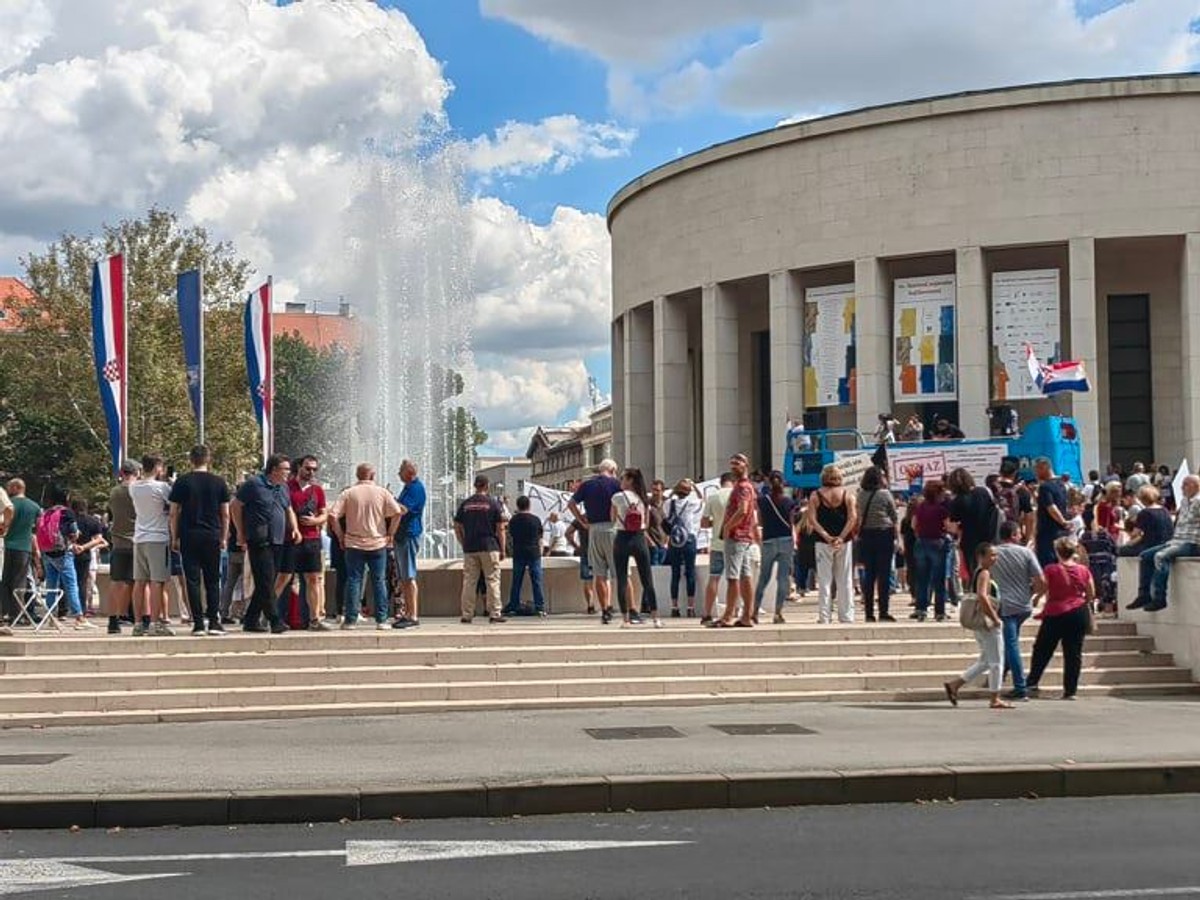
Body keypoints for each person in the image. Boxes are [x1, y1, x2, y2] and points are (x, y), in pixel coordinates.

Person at [168, 445, 232, 635]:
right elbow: (225, 514)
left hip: (189, 534)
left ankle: (197, 623)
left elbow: (173, 513)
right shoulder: (219, 482)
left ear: (191, 459)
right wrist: (224, 537)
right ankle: (213, 621)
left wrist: (175, 536)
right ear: (208, 459)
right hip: (212, 534)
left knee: (192, 580)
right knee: (212, 580)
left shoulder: (182, 482)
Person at [231, 454, 297, 635]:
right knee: (266, 581)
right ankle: (275, 620)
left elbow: (288, 509)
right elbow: (235, 506)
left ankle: (251, 620)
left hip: (278, 539)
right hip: (259, 539)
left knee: (265, 581)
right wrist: (240, 532)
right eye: (285, 469)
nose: (288, 473)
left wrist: (294, 529)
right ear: (274, 469)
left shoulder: (283, 488)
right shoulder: (253, 484)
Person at [330, 463, 401, 630]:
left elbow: (332, 515)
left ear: (357, 475)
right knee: (379, 581)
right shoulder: (382, 492)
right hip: (377, 543)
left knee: (353, 580)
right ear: (373, 475)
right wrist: (390, 534)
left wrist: (340, 536)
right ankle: (382, 620)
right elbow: (397, 512)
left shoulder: (348, 493)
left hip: (353, 543)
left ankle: (350, 620)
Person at [1027, 536, 1096, 700]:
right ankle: (1070, 691)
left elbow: (1042, 587)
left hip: (1056, 612)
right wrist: (1082, 601)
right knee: (1073, 653)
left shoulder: (1051, 569)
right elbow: (1091, 593)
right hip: (1078, 612)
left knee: (1043, 648)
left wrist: (1037, 598)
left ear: (1057, 552)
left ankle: (1032, 681)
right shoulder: (1084, 570)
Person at [944, 543, 1010, 709]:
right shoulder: (984, 573)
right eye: (991, 555)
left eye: (996, 555)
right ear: (981, 557)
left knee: (985, 661)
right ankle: (995, 697)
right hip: (986, 622)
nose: (995, 558)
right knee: (996, 661)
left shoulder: (978, 572)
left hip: (980, 623)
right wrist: (995, 618)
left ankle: (955, 685)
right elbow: (982, 596)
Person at [1128, 474, 1200, 612]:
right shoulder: (1184, 501)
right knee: (1145, 556)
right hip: (1176, 540)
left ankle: (1160, 597)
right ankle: (1144, 594)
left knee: (1160, 556)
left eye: (1185, 485)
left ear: (1195, 486)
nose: (1181, 487)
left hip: (1192, 542)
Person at [991, 520, 1045, 701]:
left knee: (1011, 643)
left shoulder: (994, 553)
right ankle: (1004, 673)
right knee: (1010, 641)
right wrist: (1034, 595)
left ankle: (1020, 686)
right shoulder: (1026, 553)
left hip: (1004, 604)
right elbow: (1040, 580)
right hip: (1023, 604)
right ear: (1014, 535)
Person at [278, 454, 329, 631]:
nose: (311, 472)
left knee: (313, 578)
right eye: (308, 468)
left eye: (314, 469)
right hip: (291, 539)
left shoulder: (317, 490)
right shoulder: (287, 487)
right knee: (284, 578)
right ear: (299, 467)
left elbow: (324, 513)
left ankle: (314, 619)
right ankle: (272, 616)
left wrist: (316, 521)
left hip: (312, 540)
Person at [568, 460, 622, 625]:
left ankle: (604, 609)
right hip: (612, 528)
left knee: (599, 573)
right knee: (620, 573)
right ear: (612, 470)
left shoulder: (587, 485)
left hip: (594, 529)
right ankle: (626, 609)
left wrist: (582, 521)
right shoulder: (616, 484)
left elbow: (571, 503)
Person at [805, 463, 858, 624]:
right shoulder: (848, 494)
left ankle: (824, 616)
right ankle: (846, 616)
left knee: (824, 580)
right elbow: (852, 518)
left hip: (822, 542)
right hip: (844, 542)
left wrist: (826, 536)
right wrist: (841, 537)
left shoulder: (815, 495)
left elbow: (812, 519)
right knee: (845, 579)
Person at [129, 455, 175, 636]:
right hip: (158, 537)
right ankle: (155, 623)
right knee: (157, 582)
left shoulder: (134, 487)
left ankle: (138, 623)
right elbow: (172, 505)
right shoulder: (162, 487)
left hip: (140, 537)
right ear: (157, 467)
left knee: (139, 581)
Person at [37, 487, 92, 629]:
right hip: (63, 552)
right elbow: (73, 532)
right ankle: (79, 617)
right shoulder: (67, 512)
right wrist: (75, 536)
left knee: (51, 586)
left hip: (47, 552)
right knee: (71, 585)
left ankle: (50, 617)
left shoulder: (46, 512)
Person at [611, 468, 660, 627]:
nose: (621, 481)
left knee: (622, 579)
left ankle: (625, 619)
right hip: (639, 538)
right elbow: (646, 523)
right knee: (647, 579)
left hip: (622, 538)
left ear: (630, 480)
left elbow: (612, 518)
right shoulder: (644, 498)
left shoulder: (618, 497)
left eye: (623, 478)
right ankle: (655, 618)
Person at [454, 474, 506, 623]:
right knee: (492, 580)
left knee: (469, 581)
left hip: (470, 547)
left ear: (475, 485)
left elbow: (457, 526)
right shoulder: (493, 503)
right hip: (489, 546)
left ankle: (467, 614)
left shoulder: (465, 504)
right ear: (487, 486)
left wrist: (463, 542)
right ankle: (495, 613)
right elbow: (500, 528)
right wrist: (502, 549)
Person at [716, 453, 759, 628]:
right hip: (745, 536)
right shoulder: (746, 486)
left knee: (733, 577)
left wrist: (727, 526)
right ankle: (747, 615)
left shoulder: (742, 487)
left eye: (738, 463)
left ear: (746, 464)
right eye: (732, 463)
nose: (734, 466)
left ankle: (728, 615)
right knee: (745, 575)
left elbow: (743, 510)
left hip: (737, 536)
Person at [855, 466, 898, 622]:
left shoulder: (860, 495)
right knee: (884, 574)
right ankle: (883, 611)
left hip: (866, 535)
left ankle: (869, 613)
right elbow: (894, 516)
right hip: (884, 534)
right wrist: (897, 538)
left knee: (869, 575)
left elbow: (859, 515)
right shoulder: (885, 494)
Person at [753, 471, 796, 624]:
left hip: (768, 541)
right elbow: (791, 523)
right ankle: (778, 613)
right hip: (786, 540)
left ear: (769, 483)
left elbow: (759, 521)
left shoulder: (762, 501)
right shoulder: (789, 502)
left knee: (764, 577)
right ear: (783, 483)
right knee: (783, 578)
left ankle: (754, 611)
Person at [947, 467, 999, 589]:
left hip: (970, 542)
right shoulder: (984, 492)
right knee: (992, 571)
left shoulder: (957, 501)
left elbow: (953, 527)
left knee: (975, 573)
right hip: (989, 538)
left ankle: (979, 594)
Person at [0, 479, 41, 634]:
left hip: (7, 544)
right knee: (20, 581)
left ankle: (4, 612)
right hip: (24, 547)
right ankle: (17, 614)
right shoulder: (34, 506)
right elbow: (36, 529)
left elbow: (5, 518)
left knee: (5, 581)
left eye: (9, 487)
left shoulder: (9, 504)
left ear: (17, 487)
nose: (7, 489)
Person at [392, 459, 426, 629]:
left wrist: (390, 501)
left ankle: (413, 615)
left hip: (409, 534)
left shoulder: (415, 488)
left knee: (408, 575)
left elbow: (405, 510)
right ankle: (407, 613)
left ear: (409, 472)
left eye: (401, 470)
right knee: (404, 577)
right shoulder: (408, 488)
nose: (398, 473)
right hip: (402, 535)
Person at [911, 480, 952, 621]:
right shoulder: (941, 510)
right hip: (937, 542)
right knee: (938, 579)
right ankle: (939, 611)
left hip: (921, 542)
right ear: (938, 493)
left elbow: (913, 524)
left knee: (922, 578)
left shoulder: (920, 507)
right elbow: (948, 526)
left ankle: (921, 609)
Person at [663, 479, 703, 618]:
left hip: (674, 540)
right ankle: (690, 607)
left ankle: (674, 607)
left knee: (675, 573)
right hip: (689, 539)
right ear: (688, 492)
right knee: (690, 572)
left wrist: (673, 490)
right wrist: (694, 485)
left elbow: (665, 502)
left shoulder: (669, 504)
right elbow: (701, 499)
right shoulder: (692, 503)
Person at [503, 495, 546, 617]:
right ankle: (539, 606)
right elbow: (540, 537)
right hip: (534, 552)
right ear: (529, 505)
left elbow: (510, 536)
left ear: (518, 506)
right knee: (536, 580)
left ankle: (514, 604)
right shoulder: (536, 520)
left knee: (516, 580)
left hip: (519, 552)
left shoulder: (513, 520)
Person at [700, 473, 734, 625]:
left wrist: (716, 523)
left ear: (721, 482)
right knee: (735, 579)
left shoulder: (713, 497)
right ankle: (733, 611)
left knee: (714, 578)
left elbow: (703, 523)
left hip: (716, 543)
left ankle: (707, 613)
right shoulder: (737, 495)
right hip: (734, 542)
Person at [70, 498, 106, 616]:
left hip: (69, 553)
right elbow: (99, 539)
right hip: (84, 554)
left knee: (68, 582)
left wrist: (73, 545)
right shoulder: (93, 521)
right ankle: (82, 608)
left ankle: (63, 609)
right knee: (82, 582)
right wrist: (83, 547)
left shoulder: (69, 519)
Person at [1033, 457, 1071, 567]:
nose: (1035, 473)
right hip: (1061, 533)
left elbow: (1051, 507)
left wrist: (1063, 521)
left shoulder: (1045, 487)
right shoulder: (1061, 484)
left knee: (1049, 566)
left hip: (1048, 533)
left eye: (1037, 469)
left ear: (1044, 467)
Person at [1118, 485, 1173, 558]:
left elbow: (1135, 534)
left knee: (1122, 550)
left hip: (1150, 546)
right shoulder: (1165, 510)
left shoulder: (1144, 513)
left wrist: (1125, 531)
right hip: (1166, 544)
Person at [565, 518, 595, 614]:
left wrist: (576, 546)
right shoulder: (600, 516)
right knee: (604, 579)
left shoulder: (579, 519)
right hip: (599, 552)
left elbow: (568, 533)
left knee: (587, 581)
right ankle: (606, 606)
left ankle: (590, 605)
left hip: (585, 552)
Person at [647, 479, 669, 566]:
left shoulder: (667, 504)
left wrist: (667, 542)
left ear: (662, 491)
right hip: (652, 545)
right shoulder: (647, 504)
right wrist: (651, 543)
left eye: (657, 490)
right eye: (653, 490)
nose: (655, 493)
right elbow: (644, 526)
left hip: (665, 545)